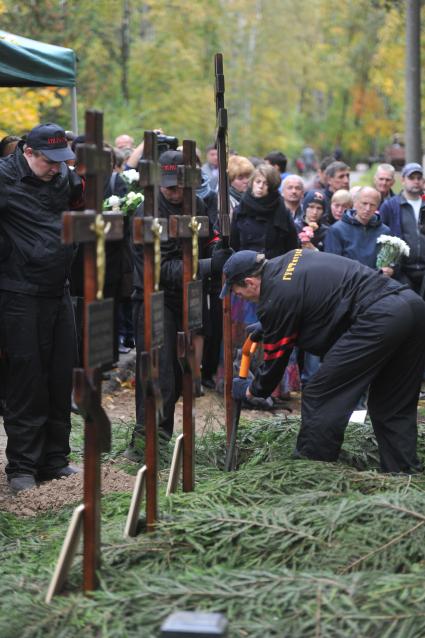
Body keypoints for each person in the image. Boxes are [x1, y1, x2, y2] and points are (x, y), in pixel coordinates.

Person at [223, 249, 425, 473]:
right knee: (392, 404)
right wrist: (271, 325)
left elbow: (274, 363)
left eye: (238, 293)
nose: (240, 298)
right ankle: (402, 475)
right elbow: (315, 297)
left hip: (379, 316)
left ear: (250, 282)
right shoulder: (291, 257)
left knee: (321, 394)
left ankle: (313, 472)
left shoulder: (276, 297)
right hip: (412, 306)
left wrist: (251, 390)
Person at [124, 150, 231, 460]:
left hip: (187, 295)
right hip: (153, 297)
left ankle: (163, 439)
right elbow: (160, 268)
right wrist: (210, 265)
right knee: (160, 376)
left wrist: (218, 245)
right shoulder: (147, 216)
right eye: (169, 186)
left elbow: (203, 236)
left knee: (183, 372)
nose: (174, 192)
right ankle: (145, 444)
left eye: (180, 185)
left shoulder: (195, 203)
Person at [0, 123, 83, 493]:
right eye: (50, 161)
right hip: (18, 294)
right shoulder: (4, 180)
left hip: (58, 290)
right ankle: (22, 467)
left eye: (62, 161)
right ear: (28, 153)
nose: (57, 168)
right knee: (26, 379)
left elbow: (80, 201)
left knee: (59, 374)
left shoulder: (64, 176)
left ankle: (55, 460)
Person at [380, 162, 425, 294]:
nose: (416, 181)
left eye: (419, 178)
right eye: (412, 178)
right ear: (403, 180)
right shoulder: (390, 206)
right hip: (401, 270)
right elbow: (382, 236)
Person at [325, 187, 392, 272]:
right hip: (348, 283)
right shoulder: (336, 230)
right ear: (355, 203)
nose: (368, 209)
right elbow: (332, 266)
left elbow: (392, 263)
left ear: (377, 207)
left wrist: (390, 269)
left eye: (372, 205)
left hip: (377, 282)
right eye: (364, 203)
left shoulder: (385, 232)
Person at [227, 155, 255, 219]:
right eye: (240, 178)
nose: (246, 181)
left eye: (248, 177)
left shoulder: (256, 195)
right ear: (230, 180)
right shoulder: (224, 201)